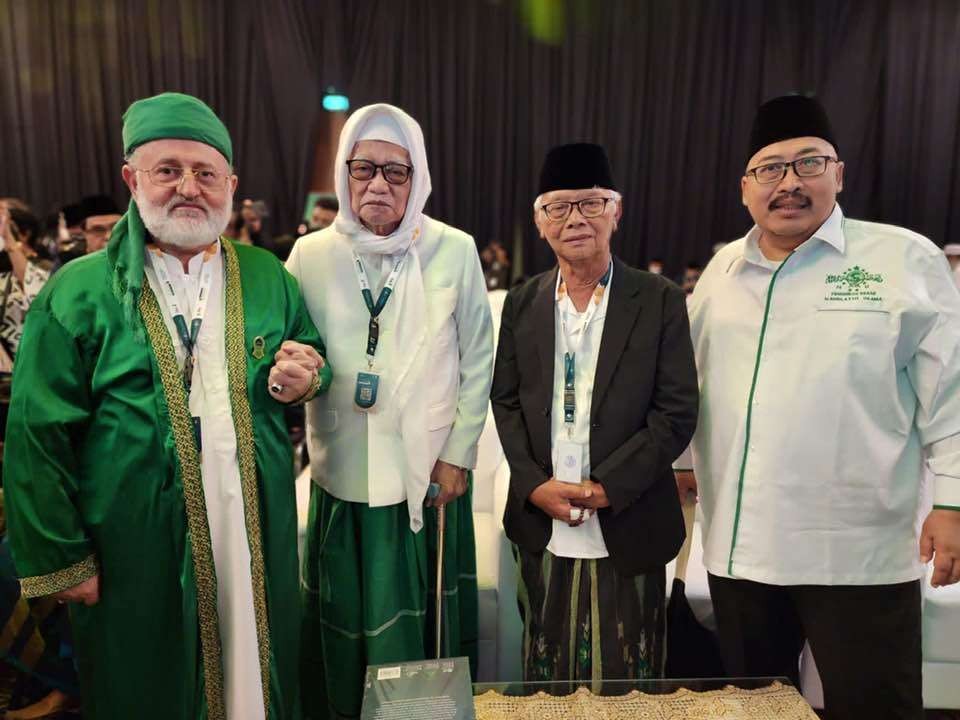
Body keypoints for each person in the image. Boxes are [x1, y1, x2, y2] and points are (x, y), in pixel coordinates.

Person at [3, 91, 332, 720]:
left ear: (230, 184)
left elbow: (309, 356)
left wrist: (305, 375)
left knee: (255, 677)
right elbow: (37, 435)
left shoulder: (269, 275)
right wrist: (61, 556)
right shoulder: (80, 290)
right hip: (130, 542)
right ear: (132, 179)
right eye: (167, 170)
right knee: (143, 681)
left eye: (206, 173)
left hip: (250, 529)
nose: (189, 187)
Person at [684, 94, 960, 720]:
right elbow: (689, 379)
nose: (789, 183)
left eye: (808, 164)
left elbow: (951, 394)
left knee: (876, 706)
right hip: (741, 547)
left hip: (857, 549)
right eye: (771, 169)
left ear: (838, 173)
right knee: (757, 709)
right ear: (745, 189)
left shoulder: (901, 259)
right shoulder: (723, 270)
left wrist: (952, 501)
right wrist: (679, 460)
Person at [287, 103, 493, 719]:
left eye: (396, 172)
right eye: (364, 169)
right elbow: (297, 350)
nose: (378, 184)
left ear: (418, 177)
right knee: (343, 625)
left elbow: (480, 358)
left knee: (422, 637)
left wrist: (457, 456)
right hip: (341, 474)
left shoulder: (454, 249)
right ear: (344, 175)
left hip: (428, 478)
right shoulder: (310, 255)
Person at [491, 143, 698, 683]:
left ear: (616, 211)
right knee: (546, 663)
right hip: (543, 518)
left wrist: (607, 487)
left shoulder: (659, 300)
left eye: (590, 203)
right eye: (559, 207)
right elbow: (505, 401)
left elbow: (675, 412)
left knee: (630, 669)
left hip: (628, 517)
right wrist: (534, 485)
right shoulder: (522, 301)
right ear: (540, 222)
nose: (575, 219)